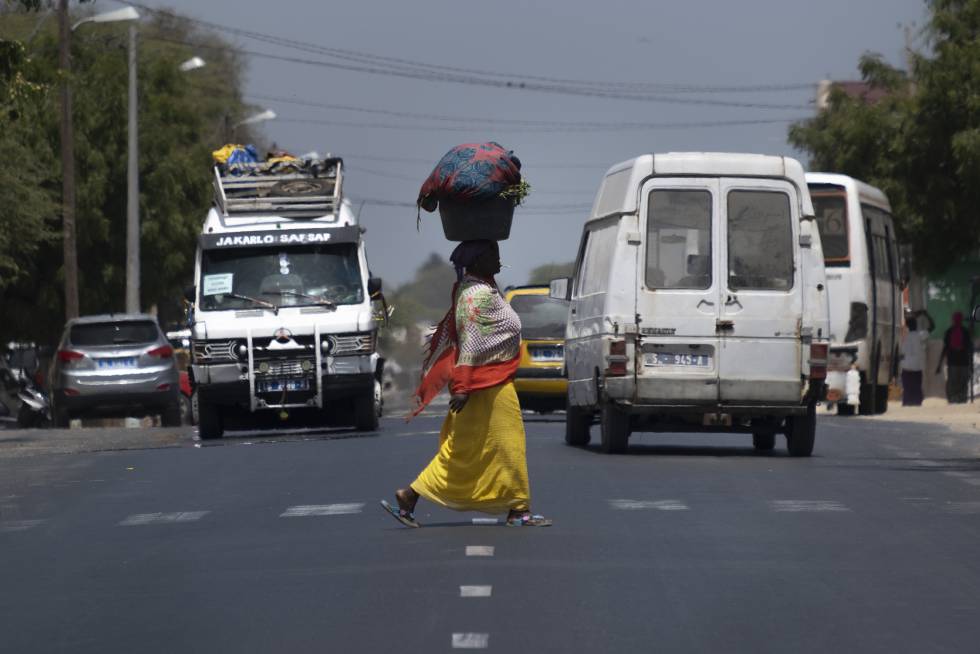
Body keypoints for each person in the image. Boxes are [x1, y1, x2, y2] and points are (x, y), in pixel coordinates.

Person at [381, 240, 551, 528]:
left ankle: (410, 496)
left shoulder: (482, 288)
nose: (498, 260)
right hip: (486, 385)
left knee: (465, 448)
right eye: (492, 255)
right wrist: (461, 387)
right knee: (508, 444)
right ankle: (518, 510)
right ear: (477, 261)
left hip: (490, 381)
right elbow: (470, 340)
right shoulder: (476, 295)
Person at [936, 311, 974, 404]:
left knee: (953, 383)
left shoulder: (949, 332)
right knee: (963, 383)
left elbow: (945, 349)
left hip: (952, 362)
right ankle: (962, 400)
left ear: (953, 320)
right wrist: (971, 365)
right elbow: (969, 349)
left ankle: (953, 400)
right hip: (964, 363)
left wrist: (939, 365)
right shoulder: (965, 332)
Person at [900, 310, 934, 406]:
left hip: (905, 367)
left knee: (907, 389)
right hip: (916, 367)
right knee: (916, 389)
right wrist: (926, 315)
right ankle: (916, 404)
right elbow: (932, 327)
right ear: (916, 325)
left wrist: (910, 317)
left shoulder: (903, 336)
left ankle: (907, 404)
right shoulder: (920, 335)